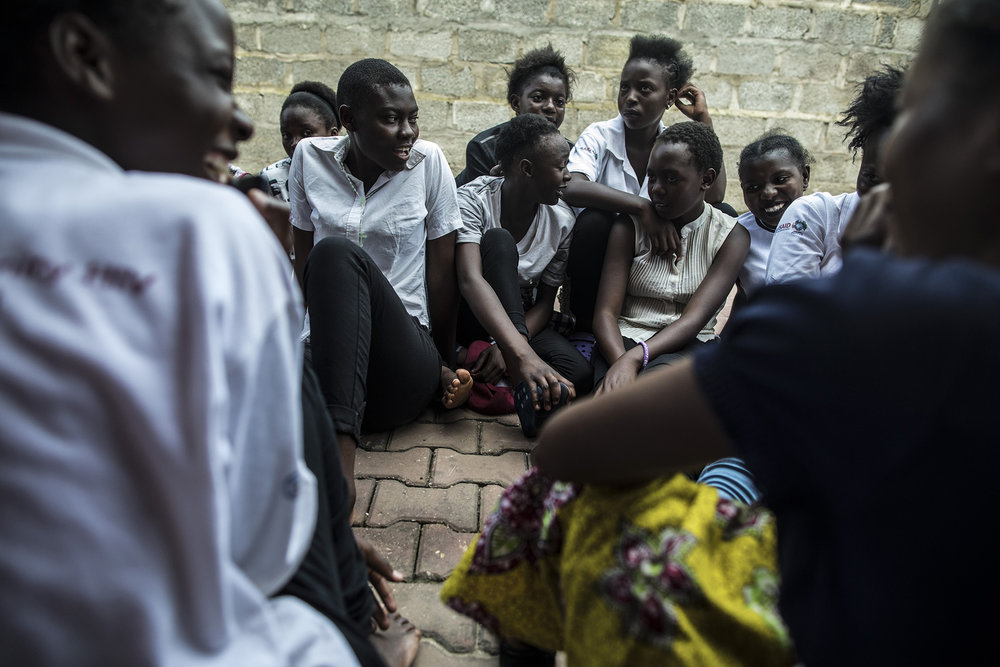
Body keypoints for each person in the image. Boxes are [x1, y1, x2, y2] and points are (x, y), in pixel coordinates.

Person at [530, 1, 1000, 663]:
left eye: (916, 112)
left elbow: (568, 446)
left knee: (542, 502)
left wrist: (859, 276)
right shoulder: (645, 226)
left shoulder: (847, 315)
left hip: (846, 628)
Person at [0, 1, 416, 665]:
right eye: (216, 77)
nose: (240, 118)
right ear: (85, 57)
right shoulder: (205, 224)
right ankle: (359, 630)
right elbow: (265, 547)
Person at [289, 58, 472, 511]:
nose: (407, 131)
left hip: (399, 368)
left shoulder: (430, 165)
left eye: (412, 118)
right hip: (329, 360)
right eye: (391, 118)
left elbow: (442, 278)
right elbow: (302, 265)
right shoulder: (307, 160)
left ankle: (340, 473)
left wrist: (442, 367)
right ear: (348, 119)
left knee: (339, 254)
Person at [560, 35, 729, 344]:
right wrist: (641, 207)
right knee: (597, 221)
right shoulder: (600, 135)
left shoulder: (672, 145)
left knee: (722, 216)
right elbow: (570, 186)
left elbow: (715, 194)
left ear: (670, 97)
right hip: (598, 263)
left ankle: (677, 321)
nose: (631, 97)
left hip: (648, 258)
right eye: (625, 87)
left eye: (645, 88)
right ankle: (586, 329)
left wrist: (704, 120)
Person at [455, 114, 592, 435]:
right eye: (560, 166)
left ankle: (486, 366)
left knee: (579, 373)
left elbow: (545, 303)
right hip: (471, 311)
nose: (568, 176)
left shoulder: (561, 220)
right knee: (499, 241)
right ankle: (506, 372)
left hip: (521, 317)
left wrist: (508, 347)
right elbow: (469, 278)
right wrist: (518, 350)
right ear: (527, 169)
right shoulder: (473, 200)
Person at [592, 122, 748, 395]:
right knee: (610, 403)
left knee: (655, 393)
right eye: (652, 177)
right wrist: (620, 362)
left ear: (707, 179)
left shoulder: (731, 236)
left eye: (671, 178)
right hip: (622, 340)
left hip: (689, 344)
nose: (657, 189)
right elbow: (605, 313)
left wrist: (634, 361)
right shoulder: (629, 227)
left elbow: (693, 320)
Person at [764, 66, 903, 285]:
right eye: (872, 179)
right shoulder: (815, 216)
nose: (882, 197)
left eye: (901, 185)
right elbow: (787, 313)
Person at [455, 44, 574, 187]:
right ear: (516, 103)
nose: (550, 107)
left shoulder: (571, 152)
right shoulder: (485, 148)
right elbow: (479, 201)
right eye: (538, 98)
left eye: (559, 102)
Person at [733, 132, 811, 303]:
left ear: (804, 176)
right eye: (753, 187)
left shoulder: (829, 222)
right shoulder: (738, 235)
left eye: (780, 179)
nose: (768, 194)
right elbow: (745, 297)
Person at [260, 80, 341, 202]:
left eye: (307, 133)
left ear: (332, 135)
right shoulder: (273, 179)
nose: (295, 143)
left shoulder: (350, 177)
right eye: (287, 135)